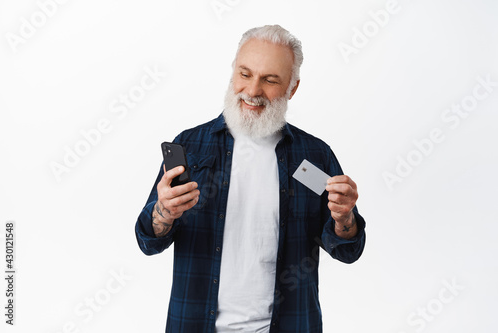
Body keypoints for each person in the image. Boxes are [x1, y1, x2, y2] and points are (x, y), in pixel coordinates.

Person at [135, 24, 366, 333]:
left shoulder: (310, 158)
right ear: (233, 74)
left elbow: (347, 249)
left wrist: (344, 218)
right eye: (245, 74)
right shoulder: (189, 146)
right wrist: (163, 213)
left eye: (270, 80)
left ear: (292, 88)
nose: (253, 91)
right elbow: (148, 241)